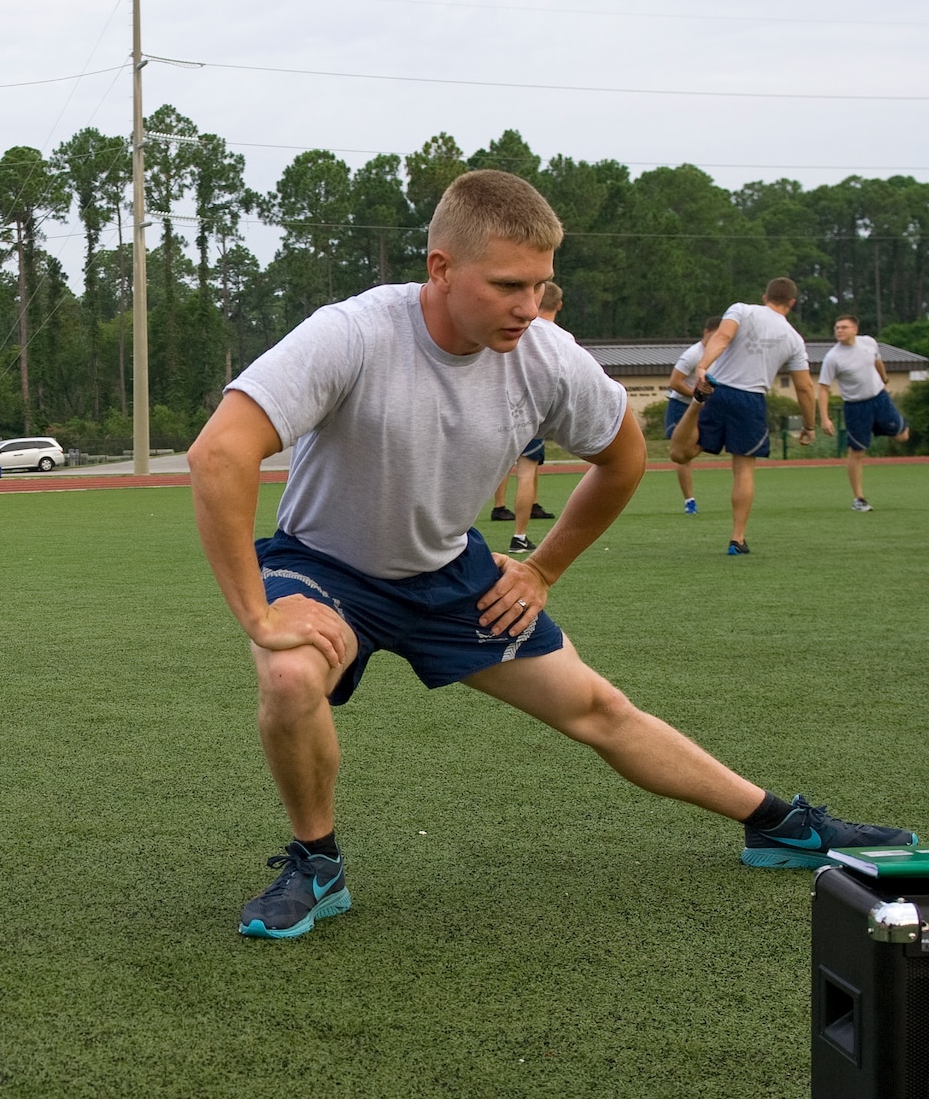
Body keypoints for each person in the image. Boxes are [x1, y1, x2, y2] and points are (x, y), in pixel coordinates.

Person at [187, 170, 914, 940]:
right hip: (325, 566)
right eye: (507, 285)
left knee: (599, 707)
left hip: (448, 573)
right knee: (294, 671)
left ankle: (779, 823)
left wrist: (542, 567)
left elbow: (625, 456)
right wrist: (260, 613)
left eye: (541, 285)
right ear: (440, 268)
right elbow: (220, 455)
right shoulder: (354, 333)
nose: (528, 306)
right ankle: (317, 861)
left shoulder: (547, 355)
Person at [668, 278, 816, 555]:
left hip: (718, 390)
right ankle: (737, 539)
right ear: (792, 303)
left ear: (765, 296)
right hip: (751, 399)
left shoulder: (742, 310)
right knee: (744, 470)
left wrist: (702, 366)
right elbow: (805, 387)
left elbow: (722, 338)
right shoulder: (795, 338)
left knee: (680, 454)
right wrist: (809, 425)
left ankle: (696, 403)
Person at [816, 313, 909, 510]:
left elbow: (877, 361)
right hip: (856, 407)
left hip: (879, 398)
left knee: (903, 436)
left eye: (844, 327)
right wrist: (825, 418)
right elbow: (823, 388)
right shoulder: (833, 358)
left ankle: (882, 425)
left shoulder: (868, 342)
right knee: (857, 451)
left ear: (855, 330)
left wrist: (884, 378)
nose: (839, 330)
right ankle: (859, 499)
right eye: (837, 328)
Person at [504, 280, 563, 552]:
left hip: (499, 409)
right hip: (527, 413)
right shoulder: (556, 338)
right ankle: (519, 536)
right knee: (526, 473)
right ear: (559, 305)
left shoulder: (511, 329)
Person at [662, 317, 723, 514]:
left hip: (703, 408)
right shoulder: (692, 355)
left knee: (703, 446)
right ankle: (690, 501)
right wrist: (698, 396)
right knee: (682, 456)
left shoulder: (720, 355)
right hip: (681, 407)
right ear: (706, 332)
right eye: (714, 336)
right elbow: (675, 382)